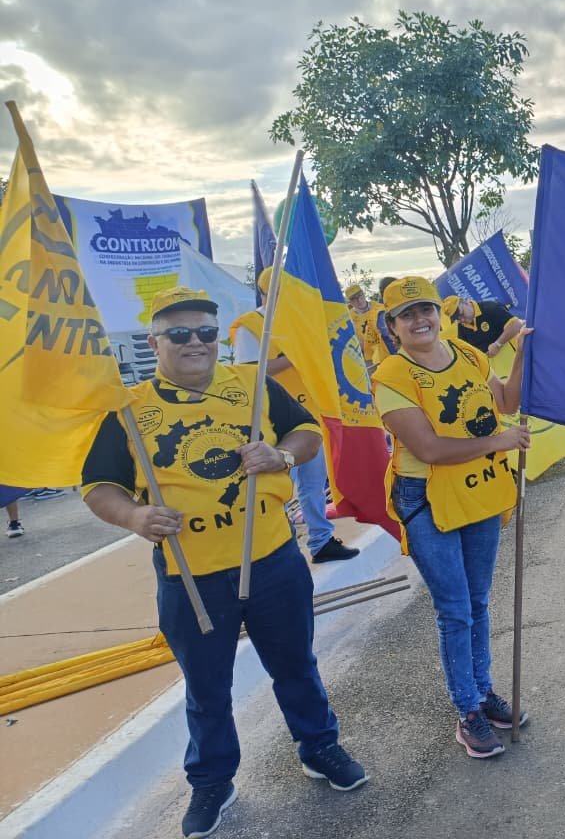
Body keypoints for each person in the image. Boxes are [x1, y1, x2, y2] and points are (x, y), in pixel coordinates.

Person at [81, 286, 367, 839]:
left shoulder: (253, 385)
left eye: (207, 333)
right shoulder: (128, 409)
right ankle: (212, 780)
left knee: (296, 666)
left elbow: (307, 433)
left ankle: (320, 746)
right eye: (181, 334)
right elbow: (99, 487)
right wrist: (135, 518)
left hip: (273, 563)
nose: (197, 343)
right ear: (155, 341)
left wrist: (281, 454)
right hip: (192, 578)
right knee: (207, 687)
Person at [371, 276, 532, 758]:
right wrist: (498, 442)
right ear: (392, 325)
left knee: (479, 601)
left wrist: (524, 351)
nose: (420, 320)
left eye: (425, 309)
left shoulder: (467, 354)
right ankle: (467, 711)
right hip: (427, 497)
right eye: (407, 314)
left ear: (438, 313)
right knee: (455, 609)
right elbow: (428, 448)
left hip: (478, 488)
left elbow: (506, 402)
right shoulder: (390, 377)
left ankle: (483, 693)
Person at [231, 270, 358, 563]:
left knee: (313, 483)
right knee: (277, 486)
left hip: (308, 416)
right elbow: (251, 371)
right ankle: (282, 547)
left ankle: (321, 541)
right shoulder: (252, 326)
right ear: (268, 294)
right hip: (271, 421)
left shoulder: (300, 322)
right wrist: (296, 356)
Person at [441, 295, 524, 358]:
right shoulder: (462, 328)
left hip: (516, 356)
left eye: (461, 313)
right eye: (456, 318)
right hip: (500, 373)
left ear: (466, 302)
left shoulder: (489, 308)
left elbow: (516, 324)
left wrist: (498, 344)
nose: (461, 319)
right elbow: (467, 352)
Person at [345, 283, 395, 368]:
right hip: (367, 358)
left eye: (360, 296)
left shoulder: (380, 309)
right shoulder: (348, 318)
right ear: (350, 302)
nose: (358, 300)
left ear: (363, 294)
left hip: (386, 350)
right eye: (353, 299)